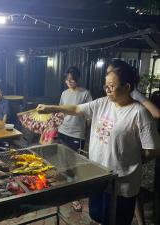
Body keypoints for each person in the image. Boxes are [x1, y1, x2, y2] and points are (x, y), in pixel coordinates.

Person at [36, 59, 160, 225]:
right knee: (97, 216)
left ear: (127, 87)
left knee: (116, 220)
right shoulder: (102, 103)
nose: (107, 90)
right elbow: (76, 109)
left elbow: (152, 149)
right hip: (98, 177)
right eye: (105, 85)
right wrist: (52, 108)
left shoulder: (139, 113)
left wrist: (136, 159)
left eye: (111, 86)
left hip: (121, 183)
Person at [106, 64, 160, 225]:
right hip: (114, 168)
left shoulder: (135, 98)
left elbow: (156, 113)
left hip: (130, 161)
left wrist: (140, 156)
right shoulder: (111, 99)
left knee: (128, 195)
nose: (108, 76)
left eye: (110, 72)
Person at [57, 66, 92, 212]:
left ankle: (75, 197)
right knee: (63, 162)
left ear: (77, 78)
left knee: (74, 165)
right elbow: (60, 111)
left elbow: (89, 114)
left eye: (72, 79)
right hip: (63, 131)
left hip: (77, 134)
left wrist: (88, 130)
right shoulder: (64, 93)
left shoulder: (85, 93)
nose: (69, 81)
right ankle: (65, 190)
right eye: (67, 79)